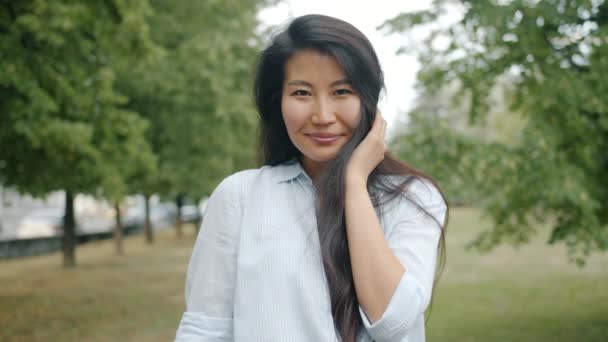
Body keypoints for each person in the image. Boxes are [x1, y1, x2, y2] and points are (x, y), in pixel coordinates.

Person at [175, 14, 447, 342]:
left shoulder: (412, 197)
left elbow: (393, 322)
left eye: (341, 91)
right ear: (279, 103)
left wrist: (355, 185)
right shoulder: (240, 196)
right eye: (302, 93)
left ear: (368, 100)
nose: (322, 116)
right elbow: (205, 329)